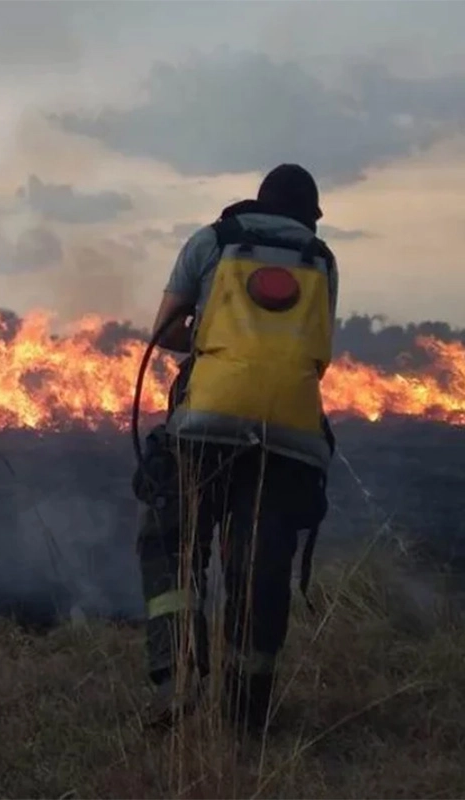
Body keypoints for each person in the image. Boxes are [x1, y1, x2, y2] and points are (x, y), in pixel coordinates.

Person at [134, 164, 338, 733]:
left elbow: (166, 332)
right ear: (306, 216)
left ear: (256, 202)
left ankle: (177, 679)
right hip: (291, 437)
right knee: (260, 569)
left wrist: (210, 335)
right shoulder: (322, 260)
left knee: (170, 542)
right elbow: (316, 353)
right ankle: (246, 716)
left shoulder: (212, 242)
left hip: (205, 426)